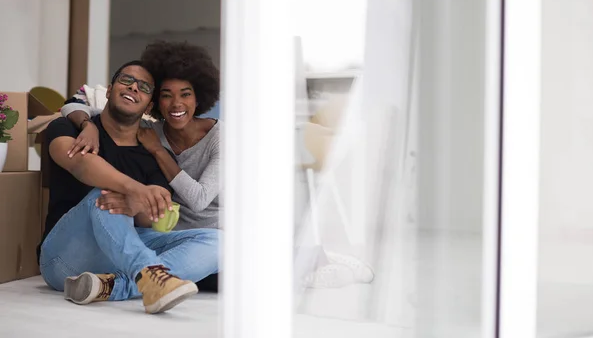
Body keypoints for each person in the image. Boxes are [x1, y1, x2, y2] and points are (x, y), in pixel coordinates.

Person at [61, 41, 373, 290]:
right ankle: (304, 261)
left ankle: (322, 261)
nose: (176, 105)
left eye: (186, 95)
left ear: (201, 98)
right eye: (166, 96)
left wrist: (159, 153)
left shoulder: (219, 137)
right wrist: (87, 124)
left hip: (221, 231)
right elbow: (75, 101)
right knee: (212, 279)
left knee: (244, 278)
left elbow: (198, 199)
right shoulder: (149, 129)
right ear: (156, 100)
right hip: (178, 234)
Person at [39, 60, 221, 313]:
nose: (134, 87)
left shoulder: (150, 152)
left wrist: (139, 207)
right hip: (63, 258)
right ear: (109, 90)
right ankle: (149, 277)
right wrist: (134, 191)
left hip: (119, 259)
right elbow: (80, 164)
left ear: (149, 105)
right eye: (127, 80)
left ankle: (116, 286)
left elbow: (153, 216)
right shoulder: (68, 127)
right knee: (105, 195)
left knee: (221, 242)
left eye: (144, 87)